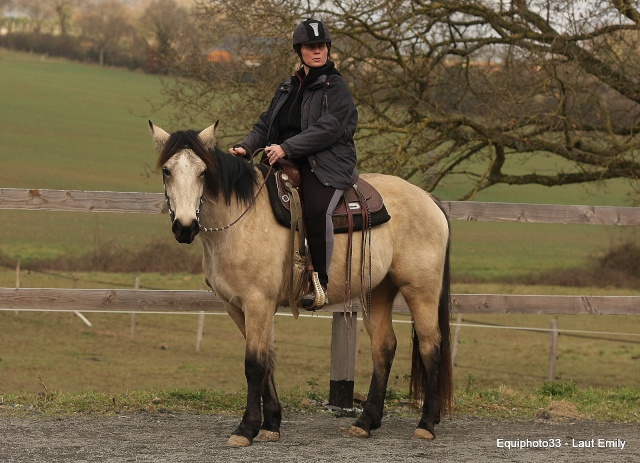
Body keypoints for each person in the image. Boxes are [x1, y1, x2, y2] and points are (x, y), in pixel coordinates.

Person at [230, 18, 358, 309]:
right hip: (283, 158)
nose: (318, 52)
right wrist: (246, 147)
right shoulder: (288, 86)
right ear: (299, 50)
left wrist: (287, 147)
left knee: (314, 208)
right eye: (311, 47)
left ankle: (319, 282)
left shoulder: (336, 87)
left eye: (322, 46)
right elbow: (265, 123)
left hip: (326, 161)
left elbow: (329, 127)